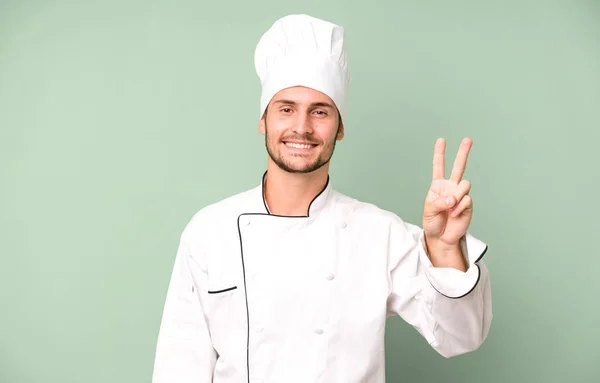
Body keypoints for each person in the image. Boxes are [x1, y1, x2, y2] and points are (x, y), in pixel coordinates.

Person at [151, 13, 492, 383]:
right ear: (263, 120)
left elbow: (461, 337)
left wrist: (444, 249)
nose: (302, 127)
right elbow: (179, 367)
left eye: (320, 111)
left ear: (340, 126)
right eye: (286, 109)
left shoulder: (378, 233)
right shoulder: (208, 232)